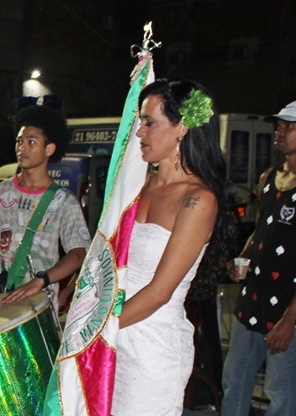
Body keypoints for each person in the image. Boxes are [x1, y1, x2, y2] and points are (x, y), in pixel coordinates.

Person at [106, 80, 231, 414]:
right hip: (113, 336)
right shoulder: (137, 187)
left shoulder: (198, 199)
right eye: (140, 123)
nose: (140, 133)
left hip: (151, 346)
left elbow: (160, 292)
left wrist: (98, 328)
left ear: (181, 128)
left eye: (150, 123)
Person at [0, 105, 89, 311]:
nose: (21, 148)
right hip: (0, 293)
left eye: (31, 142)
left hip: (39, 298)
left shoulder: (64, 201)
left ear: (49, 149)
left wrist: (42, 279)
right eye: (19, 141)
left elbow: (78, 254)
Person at [222, 101, 296, 416]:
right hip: (253, 299)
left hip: (288, 309)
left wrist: (290, 321)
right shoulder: (269, 178)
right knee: (235, 379)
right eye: (279, 124)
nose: (279, 131)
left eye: (288, 126)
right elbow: (261, 229)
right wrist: (243, 257)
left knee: (281, 393)